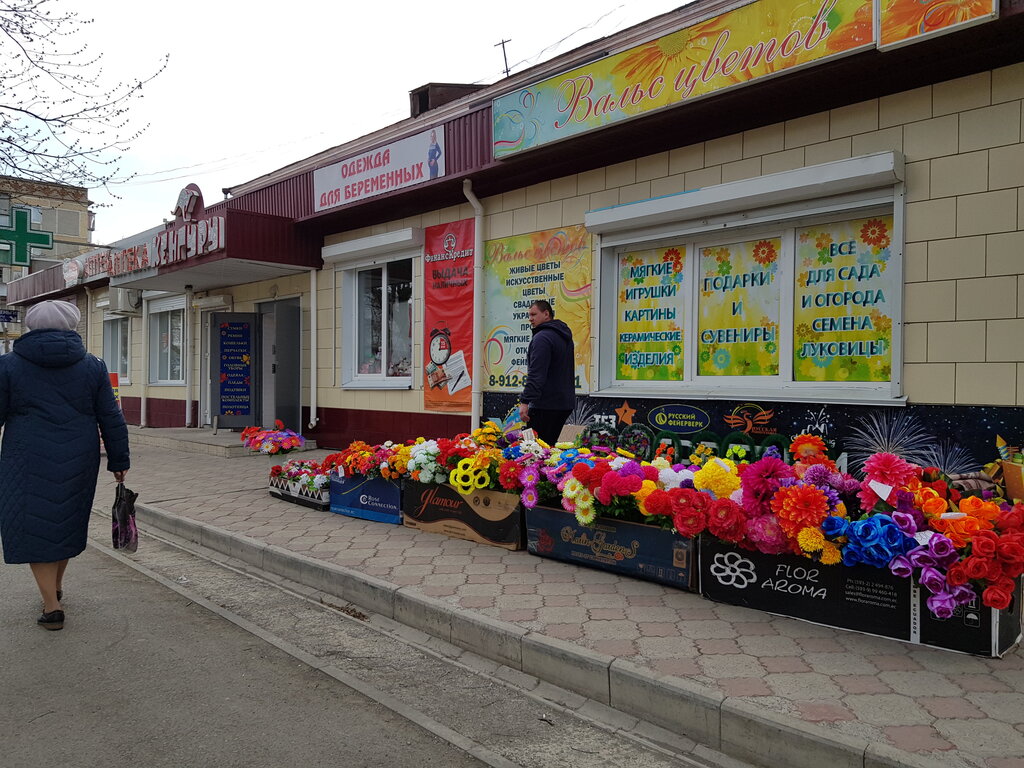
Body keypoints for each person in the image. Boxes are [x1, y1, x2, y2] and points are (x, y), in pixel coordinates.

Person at [0, 300, 130, 631]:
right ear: (73, 325)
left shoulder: (8, 365)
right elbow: (110, 416)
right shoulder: (93, 365)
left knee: (34, 525)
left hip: (24, 457)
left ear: (30, 326)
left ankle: (51, 604)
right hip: (78, 456)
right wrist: (119, 460)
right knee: (64, 520)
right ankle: (56, 589)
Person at [517, 299, 575, 446]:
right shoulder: (564, 336)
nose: (530, 319)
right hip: (563, 404)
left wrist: (525, 401)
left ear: (546, 314)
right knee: (551, 450)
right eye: (529, 315)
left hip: (544, 405)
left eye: (533, 314)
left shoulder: (542, 338)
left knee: (532, 450)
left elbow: (536, 374)